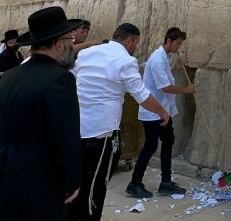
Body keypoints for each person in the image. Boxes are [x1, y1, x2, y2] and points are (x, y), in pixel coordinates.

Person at [0, 7, 83, 221]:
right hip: (39, 180)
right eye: (70, 39)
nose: (72, 45)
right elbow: (66, 137)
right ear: (58, 44)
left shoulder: (9, 76)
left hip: (3, 174)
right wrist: (72, 181)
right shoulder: (60, 79)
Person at [71, 24, 170, 220]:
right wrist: (162, 112)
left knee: (77, 184)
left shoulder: (87, 53)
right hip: (102, 134)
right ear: (129, 41)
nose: (135, 48)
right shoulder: (126, 61)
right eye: (136, 44)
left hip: (78, 129)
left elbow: (72, 79)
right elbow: (142, 95)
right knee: (95, 188)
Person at [126, 27, 193, 199]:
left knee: (168, 141)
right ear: (169, 41)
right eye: (177, 43)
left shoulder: (164, 58)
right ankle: (134, 183)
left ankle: (166, 182)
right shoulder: (157, 59)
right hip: (153, 111)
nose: (179, 47)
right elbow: (165, 87)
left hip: (163, 111)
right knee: (150, 146)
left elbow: (164, 79)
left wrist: (177, 69)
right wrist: (187, 89)